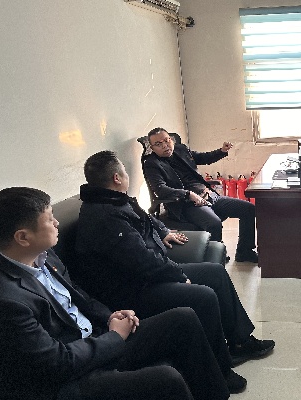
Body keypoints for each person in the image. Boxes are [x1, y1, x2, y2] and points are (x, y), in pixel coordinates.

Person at [0, 187, 231, 400]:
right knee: (166, 379)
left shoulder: (42, 255)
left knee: (183, 319)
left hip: (94, 339)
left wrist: (110, 316)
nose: (56, 223)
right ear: (23, 237)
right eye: (49, 220)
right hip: (69, 376)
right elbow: (57, 363)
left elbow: (79, 296)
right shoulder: (3, 300)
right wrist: (114, 337)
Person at [75, 150, 274, 368]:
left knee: (216, 273)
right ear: (117, 178)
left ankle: (240, 341)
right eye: (124, 171)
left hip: (147, 274)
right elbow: (142, 261)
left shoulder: (114, 199)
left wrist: (163, 231)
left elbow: (146, 218)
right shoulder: (105, 216)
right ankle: (221, 363)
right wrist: (177, 274)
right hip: (134, 287)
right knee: (204, 295)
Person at [143, 127, 258, 263]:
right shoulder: (151, 164)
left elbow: (203, 158)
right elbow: (160, 189)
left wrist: (221, 151)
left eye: (167, 140)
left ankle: (244, 252)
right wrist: (188, 194)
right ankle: (216, 258)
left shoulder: (181, 149)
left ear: (171, 140)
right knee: (214, 224)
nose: (165, 146)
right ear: (152, 148)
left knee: (248, 209)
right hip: (186, 204)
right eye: (158, 144)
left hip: (209, 196)